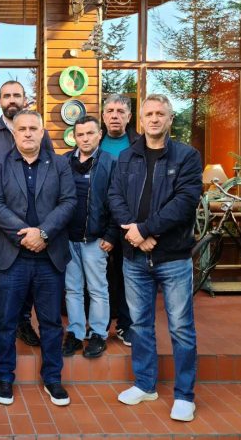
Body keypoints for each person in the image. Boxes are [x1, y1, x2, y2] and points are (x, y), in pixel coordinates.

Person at [108, 94, 202, 422]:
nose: (154, 119)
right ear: (141, 119)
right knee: (140, 325)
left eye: (160, 113)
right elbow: (114, 197)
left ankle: (185, 395)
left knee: (181, 327)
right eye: (148, 113)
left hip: (173, 257)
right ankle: (145, 384)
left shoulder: (187, 156)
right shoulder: (127, 157)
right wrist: (134, 233)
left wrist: (146, 230)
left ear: (170, 119)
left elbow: (184, 202)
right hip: (134, 257)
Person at [0, 109, 76, 407]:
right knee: (4, 321)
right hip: (11, 256)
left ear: (42, 132)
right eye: (22, 128)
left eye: (33, 128)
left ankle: (53, 378)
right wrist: (26, 235)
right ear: (14, 133)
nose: (27, 133)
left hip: (49, 256)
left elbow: (68, 201)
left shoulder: (60, 164)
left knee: (50, 322)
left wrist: (43, 233)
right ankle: (4, 377)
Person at [0, 80, 51, 348]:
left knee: (29, 274)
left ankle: (23, 322)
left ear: (24, 98)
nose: (12, 100)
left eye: (16, 95)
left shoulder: (38, 130)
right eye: (6, 96)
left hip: (33, 219)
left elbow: (49, 169)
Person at [62, 116, 117, 359]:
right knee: (72, 289)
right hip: (67, 238)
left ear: (99, 134)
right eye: (80, 134)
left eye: (90, 133)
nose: (85, 138)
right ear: (74, 137)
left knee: (97, 289)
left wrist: (112, 234)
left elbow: (117, 200)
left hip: (96, 239)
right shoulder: (64, 161)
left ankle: (97, 334)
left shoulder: (110, 162)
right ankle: (75, 333)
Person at [101, 93, 139, 347]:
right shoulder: (94, 141)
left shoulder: (139, 144)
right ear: (103, 116)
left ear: (129, 116)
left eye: (120, 111)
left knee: (127, 275)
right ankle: (100, 324)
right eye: (110, 111)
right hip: (100, 222)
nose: (115, 116)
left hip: (128, 220)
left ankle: (126, 324)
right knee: (101, 276)